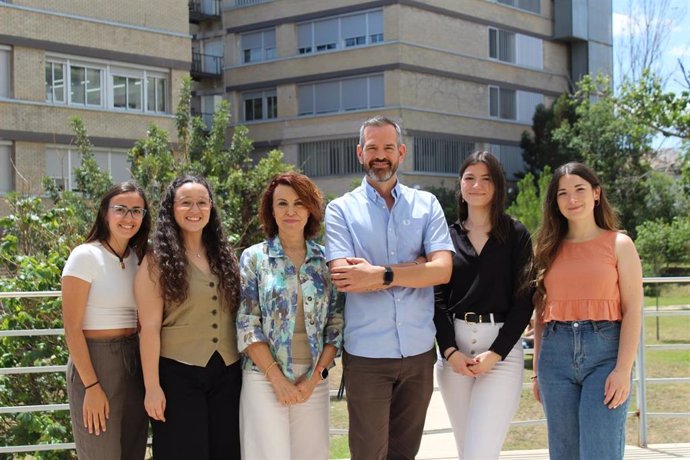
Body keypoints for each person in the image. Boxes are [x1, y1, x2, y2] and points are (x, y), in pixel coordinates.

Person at [325, 115, 454, 460]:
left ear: (401, 152)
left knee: (405, 454)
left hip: (418, 353)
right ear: (359, 153)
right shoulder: (340, 210)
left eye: (387, 148)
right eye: (372, 148)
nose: (379, 155)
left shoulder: (426, 205)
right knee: (368, 454)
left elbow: (442, 270)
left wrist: (380, 274)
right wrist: (417, 267)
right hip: (367, 355)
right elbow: (346, 277)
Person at [531, 162, 643, 460]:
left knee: (600, 451)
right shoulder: (547, 248)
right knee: (564, 452)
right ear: (555, 202)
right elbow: (541, 314)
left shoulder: (619, 244)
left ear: (596, 193)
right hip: (554, 358)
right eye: (562, 193)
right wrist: (536, 373)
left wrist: (623, 370)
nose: (572, 199)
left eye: (579, 189)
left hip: (605, 356)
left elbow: (633, 310)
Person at [433, 151, 534, 459]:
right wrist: (449, 351)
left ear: (498, 186)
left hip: (501, 352)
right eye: (469, 178)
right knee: (469, 451)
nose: (477, 185)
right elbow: (435, 298)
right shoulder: (445, 236)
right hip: (454, 355)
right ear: (460, 185)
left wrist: (498, 352)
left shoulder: (516, 234)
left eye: (486, 179)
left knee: (480, 452)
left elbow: (526, 297)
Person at [237, 172, 343, 460]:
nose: (291, 211)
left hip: (313, 380)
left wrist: (314, 379)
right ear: (271, 210)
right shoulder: (254, 258)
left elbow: (335, 326)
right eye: (282, 204)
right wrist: (277, 379)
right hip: (263, 378)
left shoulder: (327, 261)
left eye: (299, 203)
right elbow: (247, 324)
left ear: (311, 209)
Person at [135, 175, 242, 459]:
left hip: (228, 373)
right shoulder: (155, 260)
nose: (195, 210)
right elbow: (148, 328)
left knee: (227, 452)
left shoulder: (224, 255)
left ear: (211, 208)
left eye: (202, 203)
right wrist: (152, 387)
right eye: (186, 203)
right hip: (177, 375)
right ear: (171, 208)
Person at [61, 181, 150, 459]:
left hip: (133, 360)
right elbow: (72, 329)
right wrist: (91, 386)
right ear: (105, 213)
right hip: (96, 362)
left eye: (137, 211)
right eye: (120, 209)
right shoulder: (85, 255)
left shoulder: (139, 259)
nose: (129, 217)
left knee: (132, 451)